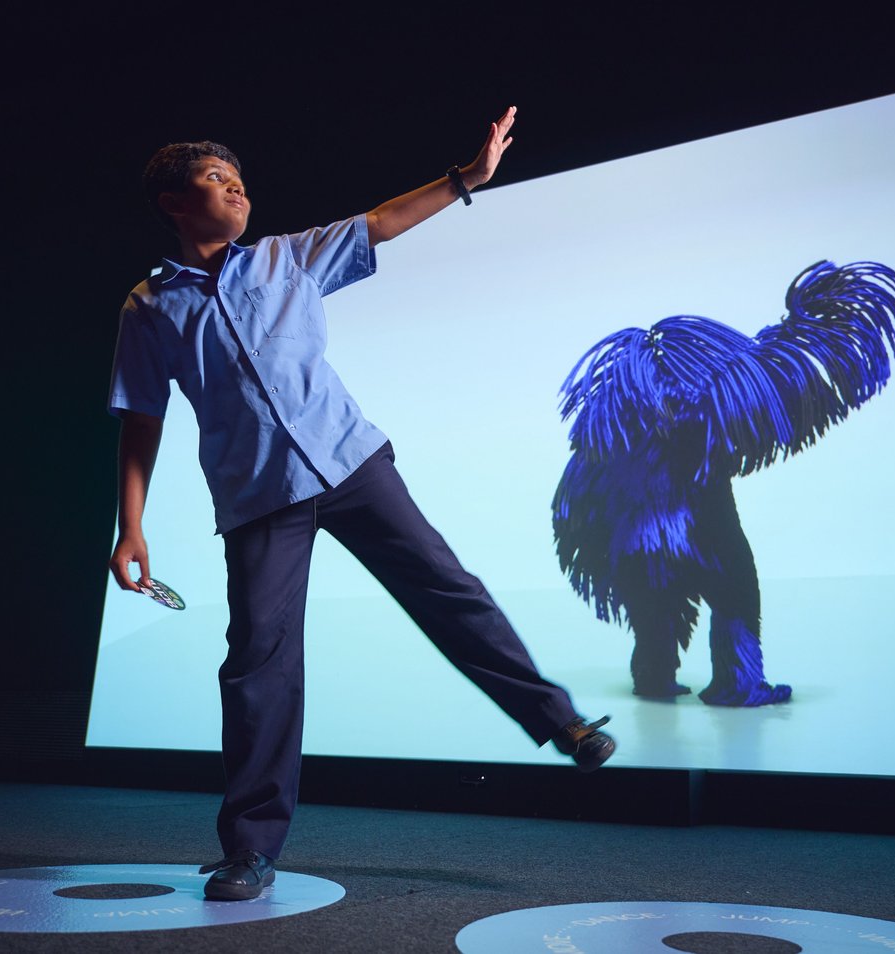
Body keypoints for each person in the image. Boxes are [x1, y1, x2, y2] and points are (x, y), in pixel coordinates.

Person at [106, 107, 615, 902]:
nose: (235, 188)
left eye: (238, 179)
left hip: (349, 462)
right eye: (213, 178)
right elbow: (142, 417)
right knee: (258, 665)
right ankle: (249, 850)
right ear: (174, 202)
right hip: (259, 496)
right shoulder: (149, 306)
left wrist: (466, 179)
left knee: (447, 589)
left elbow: (381, 221)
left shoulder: (286, 257)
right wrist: (130, 526)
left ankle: (562, 722)